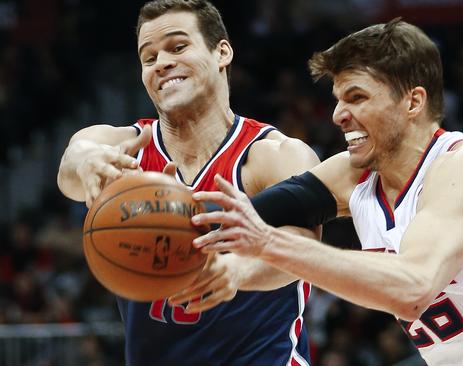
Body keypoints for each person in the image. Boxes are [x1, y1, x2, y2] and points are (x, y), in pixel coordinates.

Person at [185, 19, 463, 365]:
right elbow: (245, 213)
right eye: (338, 99)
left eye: (357, 97)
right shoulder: (353, 175)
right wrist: (180, 226)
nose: (338, 114)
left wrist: (266, 244)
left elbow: (413, 287)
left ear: (412, 102)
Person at [57, 0, 319, 365]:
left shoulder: (273, 155)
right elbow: (74, 159)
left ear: (222, 52)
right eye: (149, 58)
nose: (162, 62)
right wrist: (86, 162)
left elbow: (307, 249)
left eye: (178, 47)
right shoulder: (125, 149)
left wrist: (235, 272)